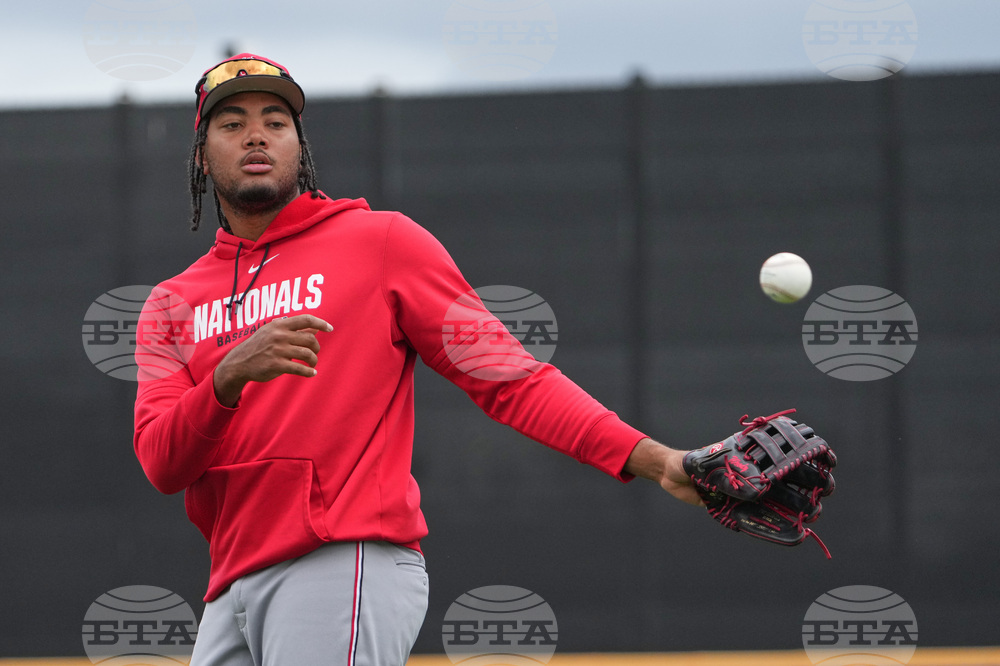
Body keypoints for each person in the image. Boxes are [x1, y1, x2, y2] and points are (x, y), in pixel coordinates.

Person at [133, 52, 700, 665]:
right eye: (231, 122)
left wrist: (657, 460)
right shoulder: (172, 303)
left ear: (299, 144)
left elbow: (510, 377)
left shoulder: (380, 242)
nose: (256, 134)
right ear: (200, 153)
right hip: (229, 586)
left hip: (341, 560)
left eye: (276, 119)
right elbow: (163, 463)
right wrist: (225, 378)